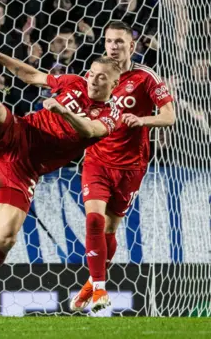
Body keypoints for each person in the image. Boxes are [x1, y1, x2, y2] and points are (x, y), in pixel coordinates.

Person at [0, 43, 122, 321]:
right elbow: (31, 75)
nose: (92, 79)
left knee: (5, 237)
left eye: (102, 77)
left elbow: (89, 129)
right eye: (91, 73)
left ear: (115, 83)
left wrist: (62, 111)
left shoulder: (111, 115)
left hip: (23, 170)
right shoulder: (72, 82)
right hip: (19, 133)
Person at [70, 21, 175, 312]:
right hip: (97, 160)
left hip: (131, 165)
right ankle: (101, 293)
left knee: (110, 231)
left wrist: (143, 120)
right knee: (94, 221)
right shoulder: (95, 75)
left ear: (132, 45)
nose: (113, 47)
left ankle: (92, 284)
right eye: (109, 41)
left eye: (119, 41)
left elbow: (169, 117)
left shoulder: (146, 77)